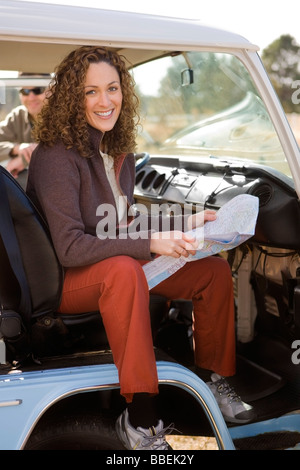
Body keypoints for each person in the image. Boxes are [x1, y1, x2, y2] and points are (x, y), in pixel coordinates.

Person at [26, 46, 254, 451]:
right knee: (124, 270)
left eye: (112, 88)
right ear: (70, 98)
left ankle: (213, 379)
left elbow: (121, 223)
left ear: (123, 93)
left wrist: (185, 223)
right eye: (90, 91)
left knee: (212, 272)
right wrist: (150, 243)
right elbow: (70, 248)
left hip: (108, 262)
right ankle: (142, 420)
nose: (104, 101)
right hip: (63, 281)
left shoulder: (118, 152)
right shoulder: (55, 156)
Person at [0, 73, 50, 178]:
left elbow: (71, 150)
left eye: (38, 90)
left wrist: (24, 160)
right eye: (25, 91)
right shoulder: (17, 115)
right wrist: (16, 149)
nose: (31, 97)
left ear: (51, 90)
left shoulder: (64, 116)